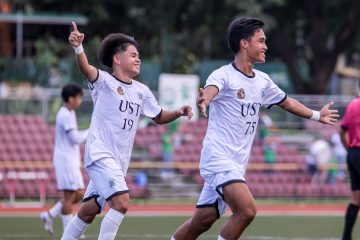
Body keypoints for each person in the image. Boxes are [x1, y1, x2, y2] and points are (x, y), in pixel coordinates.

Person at [170, 17, 339, 240]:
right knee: (247, 211)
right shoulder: (223, 75)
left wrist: (317, 115)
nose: (265, 46)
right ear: (244, 43)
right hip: (218, 159)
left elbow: (286, 102)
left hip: (236, 164)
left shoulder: (263, 81)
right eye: (261, 41)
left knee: (201, 221)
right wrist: (204, 99)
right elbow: (210, 90)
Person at [61, 22, 193, 240]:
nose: (138, 58)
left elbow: (159, 116)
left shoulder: (142, 91)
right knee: (121, 203)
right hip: (101, 155)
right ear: (117, 59)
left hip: (119, 160)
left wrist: (178, 112)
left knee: (88, 211)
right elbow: (86, 68)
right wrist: (78, 48)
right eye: (133, 55)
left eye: (138, 55)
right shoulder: (104, 81)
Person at [40, 84, 88, 236]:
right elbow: (74, 138)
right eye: (79, 97)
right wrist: (92, 132)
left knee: (79, 193)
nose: (80, 100)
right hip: (66, 160)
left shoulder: (69, 112)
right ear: (71, 98)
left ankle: (49, 215)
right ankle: (70, 234)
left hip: (71, 159)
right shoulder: (65, 115)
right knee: (69, 196)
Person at [340, 80, 360, 240]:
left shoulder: (352, 104)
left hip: (353, 153)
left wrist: (350, 149)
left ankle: (346, 237)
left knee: (356, 198)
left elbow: (342, 130)